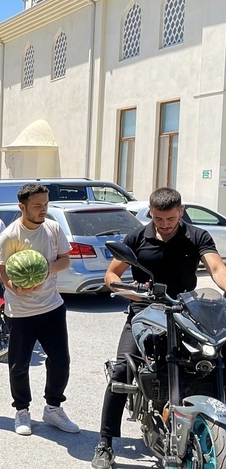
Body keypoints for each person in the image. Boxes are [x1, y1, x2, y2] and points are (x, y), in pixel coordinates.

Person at [91, 187, 226, 468]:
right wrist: (131, 291)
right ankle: (105, 443)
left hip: (187, 309)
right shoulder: (138, 237)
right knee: (121, 370)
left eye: (170, 219)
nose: (164, 225)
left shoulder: (196, 235)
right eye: (158, 219)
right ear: (151, 213)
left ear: (181, 212)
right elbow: (111, 275)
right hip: (146, 309)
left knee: (215, 357)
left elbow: (216, 268)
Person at [0, 183, 79, 436]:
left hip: (52, 307)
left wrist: (45, 269)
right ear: (22, 207)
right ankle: (22, 410)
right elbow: (1, 270)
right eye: (37, 206)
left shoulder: (53, 229)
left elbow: (65, 259)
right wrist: (15, 288)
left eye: (45, 204)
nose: (43, 210)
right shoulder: (10, 235)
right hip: (21, 311)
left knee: (61, 361)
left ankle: (53, 408)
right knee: (19, 365)